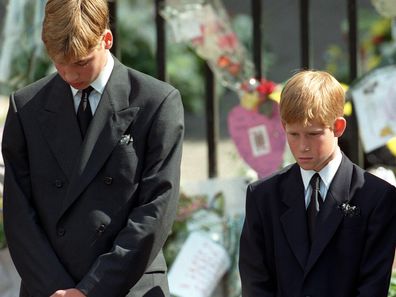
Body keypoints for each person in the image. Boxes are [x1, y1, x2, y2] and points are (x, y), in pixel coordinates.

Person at [1, 0, 184, 296]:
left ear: (106, 40)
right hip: (49, 287)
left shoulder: (157, 102)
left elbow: (157, 207)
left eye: (81, 62)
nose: (70, 75)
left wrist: (92, 290)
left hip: (128, 285)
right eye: (59, 63)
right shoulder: (27, 107)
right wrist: (56, 288)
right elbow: (18, 211)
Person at [239, 70, 396, 297]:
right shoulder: (263, 196)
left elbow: (373, 285)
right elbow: (255, 281)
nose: (302, 146)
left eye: (313, 134)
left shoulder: (377, 197)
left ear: (338, 127)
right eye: (293, 134)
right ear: (283, 126)